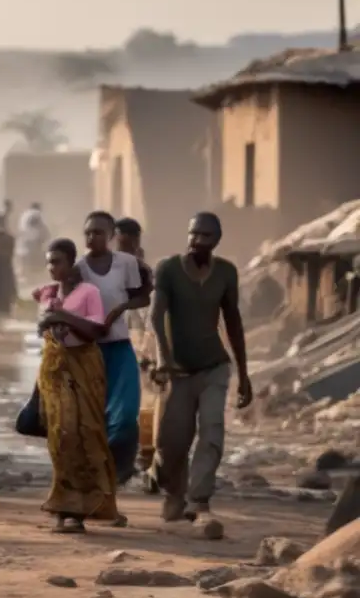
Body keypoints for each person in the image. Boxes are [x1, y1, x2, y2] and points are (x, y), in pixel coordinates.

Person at [150, 212, 252, 535]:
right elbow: (156, 316)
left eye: (206, 236)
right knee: (171, 442)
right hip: (178, 371)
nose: (198, 241)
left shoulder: (226, 273)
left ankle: (199, 500)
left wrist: (244, 375)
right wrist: (163, 359)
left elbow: (233, 322)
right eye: (194, 234)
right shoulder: (168, 270)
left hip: (214, 368)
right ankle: (172, 492)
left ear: (216, 241)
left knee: (212, 431)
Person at [34, 239, 117, 534]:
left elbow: (98, 329)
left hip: (82, 367)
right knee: (59, 436)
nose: (51, 267)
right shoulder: (48, 293)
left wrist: (62, 316)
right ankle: (64, 504)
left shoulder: (88, 293)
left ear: (71, 263)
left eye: (57, 261)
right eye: (48, 262)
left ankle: (80, 509)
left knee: (84, 432)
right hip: (54, 370)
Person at [76, 211, 150, 485]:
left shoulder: (126, 264)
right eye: (88, 232)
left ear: (110, 236)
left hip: (120, 348)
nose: (92, 237)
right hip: (88, 350)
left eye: (98, 232)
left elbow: (142, 298)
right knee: (91, 418)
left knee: (126, 414)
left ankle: (118, 473)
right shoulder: (79, 269)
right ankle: (93, 484)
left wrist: (121, 308)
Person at [17, 202, 50, 285]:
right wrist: (45, 237)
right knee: (37, 261)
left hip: (24, 241)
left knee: (25, 261)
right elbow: (42, 228)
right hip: (34, 241)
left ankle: (26, 278)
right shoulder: (37, 214)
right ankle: (35, 279)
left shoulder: (24, 214)